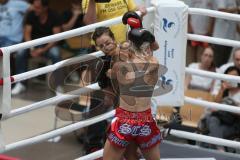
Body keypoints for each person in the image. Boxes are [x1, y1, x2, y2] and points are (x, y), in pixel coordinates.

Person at [103, 27, 162, 159]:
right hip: (145, 119)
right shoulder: (154, 63)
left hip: (125, 120)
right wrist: (143, 33)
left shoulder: (121, 66)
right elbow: (155, 47)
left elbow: (110, 71)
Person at [11, 0, 62, 95]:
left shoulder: (54, 15)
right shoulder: (31, 14)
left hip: (49, 44)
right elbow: (27, 33)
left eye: (37, 7)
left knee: (56, 53)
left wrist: (42, 50)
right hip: (33, 43)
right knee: (20, 53)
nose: (35, 9)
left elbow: (56, 38)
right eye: (34, 6)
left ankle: (58, 85)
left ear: (45, 8)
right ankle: (21, 83)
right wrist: (32, 48)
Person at [199, 66, 240, 151]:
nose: (231, 79)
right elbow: (214, 106)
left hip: (234, 124)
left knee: (210, 136)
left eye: (234, 77)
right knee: (213, 119)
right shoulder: (224, 91)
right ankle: (221, 150)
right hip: (220, 121)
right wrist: (222, 89)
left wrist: (232, 107)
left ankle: (219, 150)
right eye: (229, 77)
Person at [82, 0, 147, 43]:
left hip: (125, 45)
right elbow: (89, 23)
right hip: (103, 47)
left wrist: (140, 10)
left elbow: (134, 11)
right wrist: (92, 1)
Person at [184, 0, 214, 65]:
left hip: (205, 34)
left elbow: (213, 15)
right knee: (190, 59)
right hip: (192, 32)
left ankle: (199, 74)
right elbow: (186, 13)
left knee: (201, 58)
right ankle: (190, 74)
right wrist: (189, 29)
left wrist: (209, 31)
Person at [212, 0, 238, 67]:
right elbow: (221, 11)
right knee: (217, 64)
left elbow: (235, 20)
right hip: (220, 37)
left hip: (230, 37)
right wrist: (237, 8)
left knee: (224, 64)